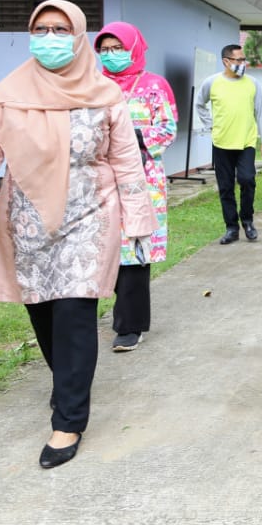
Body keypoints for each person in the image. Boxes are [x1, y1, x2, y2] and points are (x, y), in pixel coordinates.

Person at [0, 0, 156, 469]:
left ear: (77, 37)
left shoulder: (105, 95)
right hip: (29, 219)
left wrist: (138, 222)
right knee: (42, 312)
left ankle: (69, 419)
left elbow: (126, 162)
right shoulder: (10, 93)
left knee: (75, 310)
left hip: (90, 214)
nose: (50, 38)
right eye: (42, 29)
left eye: (60, 29)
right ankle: (69, 383)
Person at [94, 22, 177, 353]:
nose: (112, 55)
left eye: (119, 48)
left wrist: (131, 138)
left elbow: (167, 128)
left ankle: (130, 324)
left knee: (135, 249)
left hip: (143, 180)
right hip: (99, 180)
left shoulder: (155, 86)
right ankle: (122, 313)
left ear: (134, 48)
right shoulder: (92, 86)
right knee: (106, 247)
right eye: (105, 49)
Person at [196, 43, 262, 244]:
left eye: (243, 59)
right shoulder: (211, 83)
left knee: (247, 180)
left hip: (246, 142)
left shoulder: (252, 83)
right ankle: (231, 228)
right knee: (226, 187)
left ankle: (247, 221)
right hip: (221, 143)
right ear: (226, 61)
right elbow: (199, 104)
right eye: (238, 60)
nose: (242, 63)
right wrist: (211, 125)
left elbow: (260, 113)